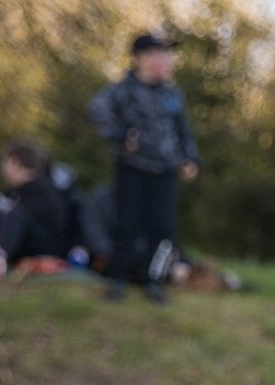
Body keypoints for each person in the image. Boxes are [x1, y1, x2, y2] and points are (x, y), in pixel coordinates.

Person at [87, 33, 200, 305]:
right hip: (132, 169)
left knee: (163, 230)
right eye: (160, 54)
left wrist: (190, 159)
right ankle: (118, 280)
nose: (167, 60)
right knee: (126, 225)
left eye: (168, 55)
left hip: (165, 172)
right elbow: (97, 110)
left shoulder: (172, 94)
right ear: (141, 58)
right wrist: (121, 136)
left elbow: (183, 131)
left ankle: (154, 282)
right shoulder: (123, 89)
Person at [0, 140, 70, 279]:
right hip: (16, 244)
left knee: (12, 214)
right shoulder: (12, 192)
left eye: (5, 162)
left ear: (15, 163)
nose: (3, 169)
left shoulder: (44, 190)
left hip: (39, 248)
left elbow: (24, 222)